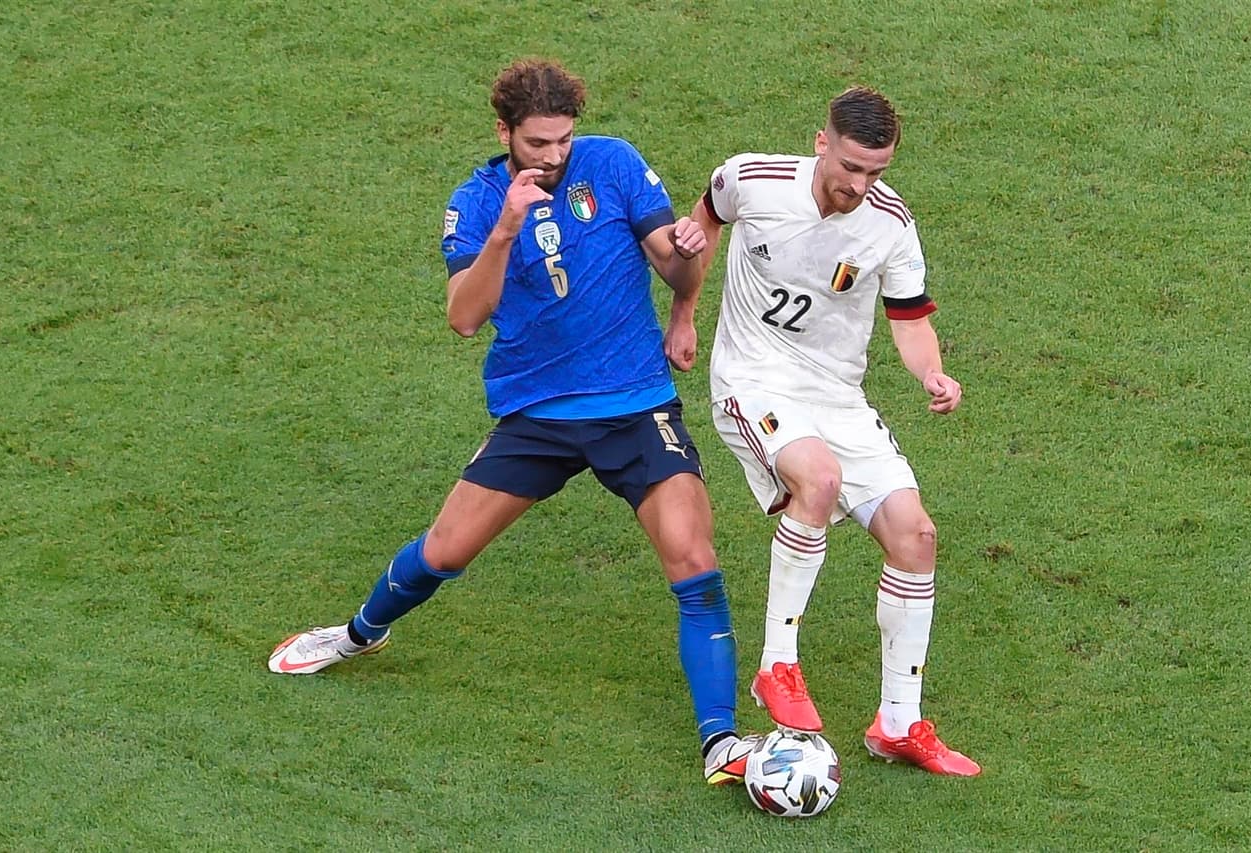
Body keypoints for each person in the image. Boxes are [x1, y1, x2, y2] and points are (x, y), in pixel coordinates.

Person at [268, 58, 755, 785]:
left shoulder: (612, 164)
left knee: (695, 558)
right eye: (537, 144)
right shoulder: (476, 199)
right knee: (444, 550)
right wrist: (505, 229)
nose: (555, 157)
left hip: (635, 402)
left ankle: (721, 740)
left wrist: (687, 265)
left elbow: (674, 269)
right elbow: (464, 318)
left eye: (563, 141)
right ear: (505, 133)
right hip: (537, 412)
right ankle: (360, 633)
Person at [688, 86, 980, 776]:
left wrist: (933, 374)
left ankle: (898, 723)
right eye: (851, 166)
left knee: (917, 534)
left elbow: (910, 321)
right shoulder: (751, 179)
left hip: (836, 396)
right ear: (822, 142)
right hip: (753, 378)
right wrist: (684, 312)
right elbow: (702, 221)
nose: (860, 184)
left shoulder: (889, 224)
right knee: (815, 480)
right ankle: (776, 666)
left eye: (876, 171)